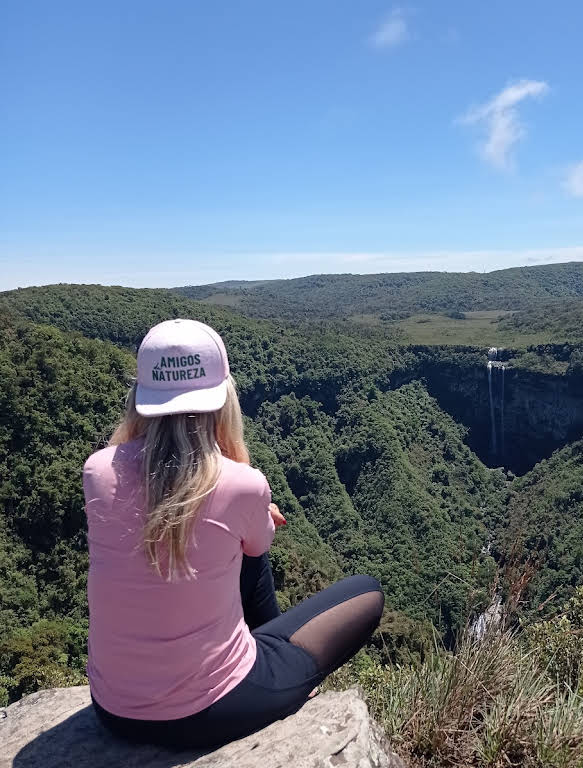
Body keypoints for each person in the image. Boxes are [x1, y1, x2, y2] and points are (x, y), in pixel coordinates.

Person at [84, 318, 384, 749]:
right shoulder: (242, 483)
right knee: (366, 592)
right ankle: (279, 674)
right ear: (225, 399)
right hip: (213, 711)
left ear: (140, 398)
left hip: (113, 712)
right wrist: (253, 508)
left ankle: (251, 650)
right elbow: (258, 545)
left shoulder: (98, 471)